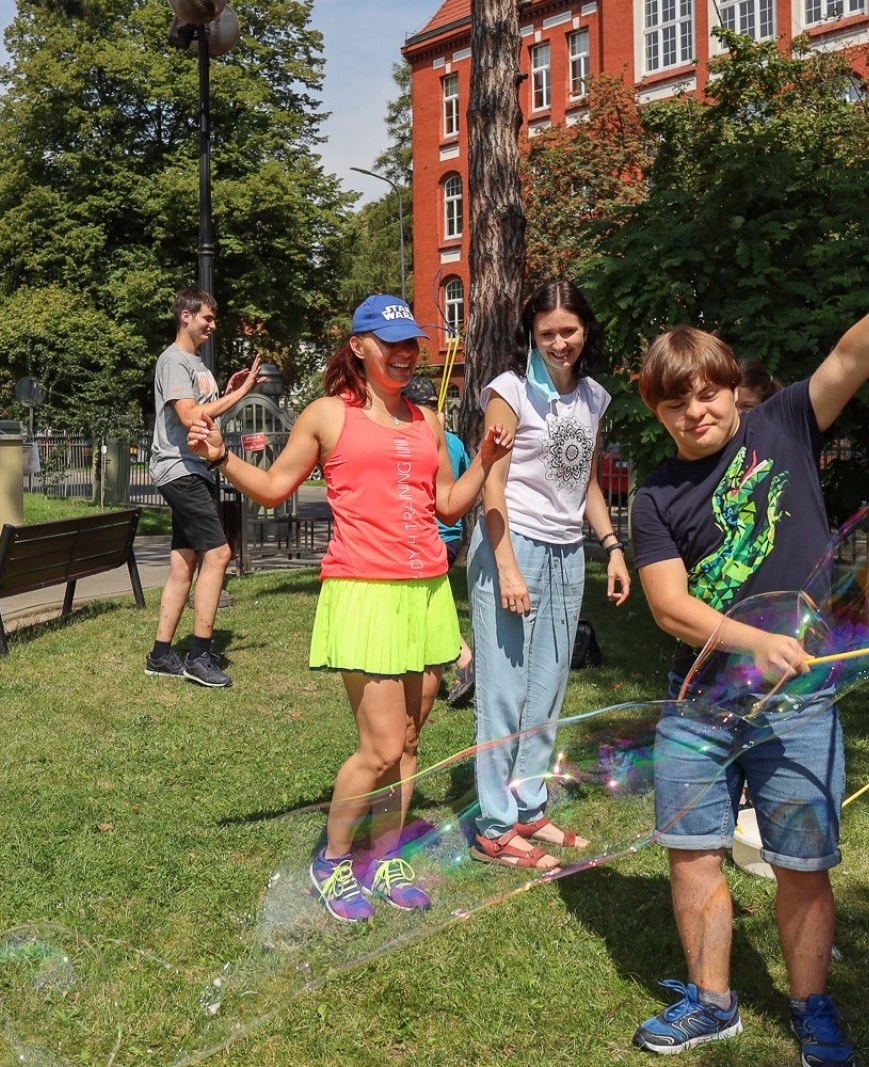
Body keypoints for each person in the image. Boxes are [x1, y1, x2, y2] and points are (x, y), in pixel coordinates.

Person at [627, 242, 869, 1063]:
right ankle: (712, 1001)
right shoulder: (654, 495)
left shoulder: (783, 424)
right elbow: (670, 607)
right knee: (693, 856)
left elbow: (856, 352)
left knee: (803, 863)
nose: (696, 412)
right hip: (698, 704)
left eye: (707, 393)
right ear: (658, 412)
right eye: (676, 404)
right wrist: (758, 641)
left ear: (731, 389)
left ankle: (811, 1006)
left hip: (800, 703)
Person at [187, 294, 511, 922]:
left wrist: (489, 464)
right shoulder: (327, 416)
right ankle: (333, 862)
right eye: (389, 344)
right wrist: (222, 459)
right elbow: (278, 489)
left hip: (427, 592)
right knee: (380, 746)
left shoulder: (428, 421)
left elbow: (447, 504)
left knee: (411, 742)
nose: (403, 355)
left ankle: (385, 856)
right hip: (365, 591)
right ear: (358, 348)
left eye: (410, 344)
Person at [466, 280, 631, 872]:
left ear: (585, 330)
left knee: (548, 690)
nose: (560, 342)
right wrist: (506, 563)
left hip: (568, 553)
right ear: (530, 334)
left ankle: (530, 805)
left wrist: (610, 545)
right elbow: (492, 480)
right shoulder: (508, 392)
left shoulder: (593, 398)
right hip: (513, 547)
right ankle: (492, 825)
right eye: (547, 333)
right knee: (504, 692)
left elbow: (584, 480)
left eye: (569, 331)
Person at [145, 287, 265, 688]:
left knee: (185, 562)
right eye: (207, 318)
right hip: (179, 468)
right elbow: (190, 413)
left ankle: (161, 655)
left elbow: (205, 412)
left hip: (197, 468)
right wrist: (241, 393)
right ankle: (198, 656)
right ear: (186, 316)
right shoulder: (173, 360)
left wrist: (225, 390)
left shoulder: (196, 364)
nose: (213, 325)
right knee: (219, 553)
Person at [400, 375, 476, 708]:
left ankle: (463, 659)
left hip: (426, 538)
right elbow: (469, 480)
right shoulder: (455, 443)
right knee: (427, 605)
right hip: (452, 537)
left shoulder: (414, 439)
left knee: (423, 607)